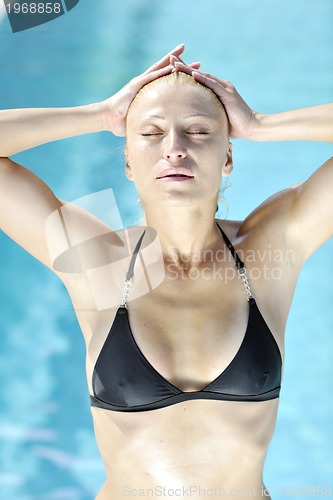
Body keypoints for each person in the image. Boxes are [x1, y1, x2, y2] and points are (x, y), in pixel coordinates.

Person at [0, 44, 332, 499]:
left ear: (228, 157)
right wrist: (100, 114)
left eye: (198, 131)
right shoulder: (98, 262)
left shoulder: (269, 249)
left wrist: (261, 125)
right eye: (151, 134)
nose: (174, 149)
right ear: (128, 164)